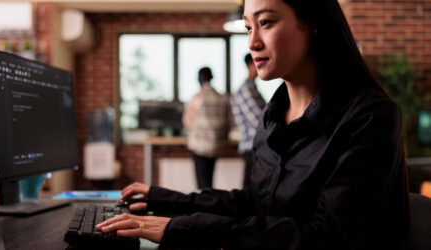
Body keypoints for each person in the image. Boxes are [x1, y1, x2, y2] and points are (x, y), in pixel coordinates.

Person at [96, 0, 410, 249]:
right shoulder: (273, 116)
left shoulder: (370, 117)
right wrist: (164, 199)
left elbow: (328, 237)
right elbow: (254, 203)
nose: (252, 42)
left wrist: (184, 228)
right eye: (248, 28)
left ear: (313, 24)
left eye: (266, 23)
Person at [181, 67, 231, 189]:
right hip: (215, 146)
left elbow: (187, 121)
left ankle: (204, 207)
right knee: (209, 182)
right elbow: (229, 123)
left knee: (202, 185)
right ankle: (209, 205)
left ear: (199, 79)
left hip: (199, 147)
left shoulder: (197, 97)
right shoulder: (223, 98)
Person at [231, 53, 266, 189]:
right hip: (252, 147)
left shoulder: (253, 88)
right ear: (251, 65)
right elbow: (260, 120)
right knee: (250, 191)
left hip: (257, 146)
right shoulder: (245, 90)